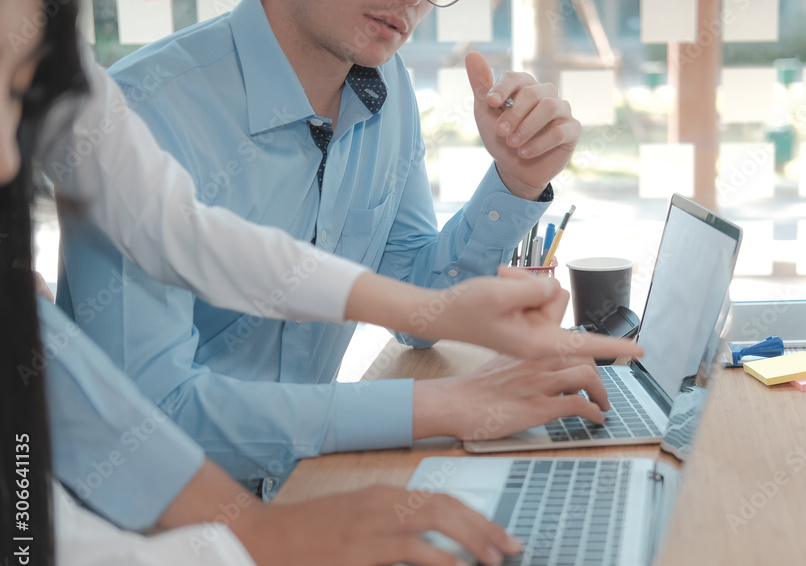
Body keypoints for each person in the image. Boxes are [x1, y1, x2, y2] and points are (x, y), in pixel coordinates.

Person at [58, 0, 597, 496]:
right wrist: (440, 406)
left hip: (302, 485)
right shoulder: (139, 112)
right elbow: (153, 419)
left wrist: (516, 182)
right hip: (150, 530)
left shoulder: (385, 82)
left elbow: (420, 311)